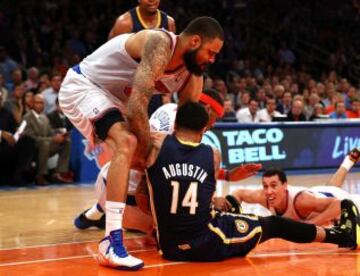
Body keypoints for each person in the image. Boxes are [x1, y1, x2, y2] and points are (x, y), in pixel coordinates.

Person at [59, 17, 224, 270]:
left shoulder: (194, 73)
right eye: (210, 52)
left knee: (142, 157)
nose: (213, 59)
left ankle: (103, 209)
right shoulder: (159, 43)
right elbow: (137, 107)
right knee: (128, 142)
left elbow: (185, 133)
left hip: (116, 100)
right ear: (194, 41)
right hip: (85, 86)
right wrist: (153, 156)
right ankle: (111, 242)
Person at [145, 102, 359, 262]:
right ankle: (340, 236)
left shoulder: (153, 147)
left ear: (175, 124)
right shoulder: (212, 154)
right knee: (274, 225)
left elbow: (149, 188)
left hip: (168, 247)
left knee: (233, 214)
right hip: (206, 242)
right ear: (204, 130)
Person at [74, 89, 261, 235]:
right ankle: (111, 215)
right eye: (215, 119)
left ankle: (96, 212)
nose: (213, 125)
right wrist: (212, 200)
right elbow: (180, 174)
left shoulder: (168, 109)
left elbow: (179, 167)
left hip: (111, 178)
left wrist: (226, 175)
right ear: (208, 109)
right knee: (176, 227)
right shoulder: (182, 131)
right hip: (127, 190)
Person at [230, 148, 360, 226]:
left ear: (285, 186)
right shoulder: (264, 196)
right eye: (265, 186)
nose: (269, 191)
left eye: (274, 186)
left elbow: (338, 205)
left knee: (336, 192)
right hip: (318, 192)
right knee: (330, 187)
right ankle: (348, 161)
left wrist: (309, 225)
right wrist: (233, 216)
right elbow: (238, 193)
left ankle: (348, 161)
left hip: (340, 199)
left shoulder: (301, 201)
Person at [108, 0, 176, 116]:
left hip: (154, 91)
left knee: (154, 133)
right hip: (129, 89)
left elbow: (169, 60)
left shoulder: (169, 23)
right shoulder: (124, 23)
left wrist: (166, 95)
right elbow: (111, 60)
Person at [108, 0, 176, 39]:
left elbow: (172, 54)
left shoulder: (169, 22)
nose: (151, 0)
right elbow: (111, 55)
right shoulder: (124, 23)